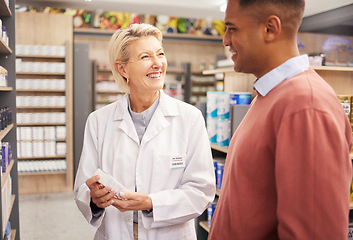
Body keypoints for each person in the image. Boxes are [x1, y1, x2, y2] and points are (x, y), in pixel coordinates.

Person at [209, 0, 352, 239]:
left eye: (232, 28)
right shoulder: (270, 95)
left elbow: (314, 233)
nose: (225, 40)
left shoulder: (306, 105)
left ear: (270, 28)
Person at [74, 23, 215, 240]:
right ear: (122, 69)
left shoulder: (190, 118)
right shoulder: (98, 121)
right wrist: (95, 199)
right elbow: (83, 187)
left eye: (160, 54)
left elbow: (201, 190)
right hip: (115, 233)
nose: (158, 63)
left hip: (170, 234)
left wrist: (151, 203)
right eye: (145, 57)